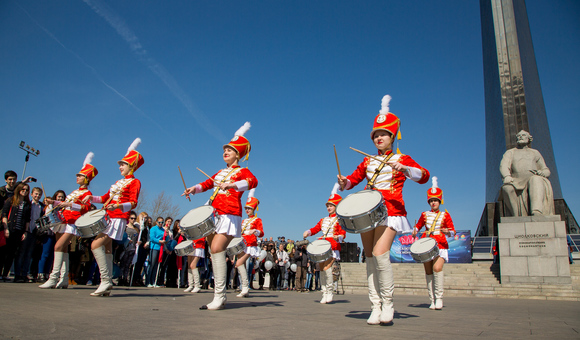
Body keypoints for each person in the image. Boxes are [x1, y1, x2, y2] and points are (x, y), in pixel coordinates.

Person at [338, 94, 429, 325]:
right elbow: (352, 180)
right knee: (369, 258)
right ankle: (375, 305)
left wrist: (405, 168)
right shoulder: (368, 161)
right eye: (376, 135)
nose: (379, 138)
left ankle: (388, 303)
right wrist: (343, 183)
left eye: (383, 134)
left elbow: (424, 176)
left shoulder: (402, 158)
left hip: (391, 211)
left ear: (392, 136)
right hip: (369, 212)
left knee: (380, 254)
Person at [183, 122, 258, 310]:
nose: (225, 152)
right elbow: (207, 183)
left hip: (229, 214)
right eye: (225, 149)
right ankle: (220, 295)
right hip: (214, 215)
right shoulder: (220, 172)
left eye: (230, 150)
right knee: (213, 251)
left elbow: (253, 181)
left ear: (238, 155)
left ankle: (220, 295)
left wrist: (233, 185)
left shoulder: (242, 172)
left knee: (217, 249)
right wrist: (194, 189)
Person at [83, 139, 143, 296]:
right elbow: (104, 198)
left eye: (123, 164)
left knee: (95, 245)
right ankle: (107, 282)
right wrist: (91, 198)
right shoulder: (118, 182)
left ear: (131, 166)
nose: (120, 167)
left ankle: (105, 281)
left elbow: (133, 203)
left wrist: (117, 207)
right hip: (109, 216)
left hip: (117, 218)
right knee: (107, 249)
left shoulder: (135, 182)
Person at [40, 153, 97, 289]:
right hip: (63, 221)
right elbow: (64, 203)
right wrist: (52, 202)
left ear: (86, 179)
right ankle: (64, 278)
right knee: (63, 249)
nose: (77, 177)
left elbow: (85, 208)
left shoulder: (87, 194)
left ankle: (53, 278)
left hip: (72, 223)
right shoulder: (74, 192)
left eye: (80, 175)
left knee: (58, 247)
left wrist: (70, 205)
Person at [412, 177, 455, 310]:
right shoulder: (424, 214)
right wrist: (414, 230)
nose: (433, 203)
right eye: (431, 201)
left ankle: (440, 298)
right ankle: (432, 299)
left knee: (437, 268)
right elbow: (418, 226)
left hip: (440, 244)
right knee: (429, 271)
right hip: (426, 243)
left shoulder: (445, 215)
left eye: (435, 200)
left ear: (439, 201)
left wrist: (447, 231)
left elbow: (453, 231)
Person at [302, 184, 346, 304]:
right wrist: (308, 232)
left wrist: (339, 237)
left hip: (332, 246)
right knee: (321, 269)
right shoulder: (323, 220)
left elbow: (343, 232)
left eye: (331, 205)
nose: (329, 208)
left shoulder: (340, 219)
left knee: (327, 269)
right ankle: (324, 291)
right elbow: (316, 228)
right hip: (322, 246)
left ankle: (330, 291)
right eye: (328, 206)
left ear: (336, 206)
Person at [500, 130, 554, 216]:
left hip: (532, 180)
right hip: (516, 181)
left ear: (529, 139)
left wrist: (543, 173)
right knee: (506, 188)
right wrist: (507, 176)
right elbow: (504, 166)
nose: (520, 137)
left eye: (523, 135)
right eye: (519, 136)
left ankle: (536, 211)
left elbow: (546, 170)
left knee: (536, 179)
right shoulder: (510, 152)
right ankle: (516, 216)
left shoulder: (535, 153)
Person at [234, 189, 264, 297]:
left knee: (239, 263)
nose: (247, 210)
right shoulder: (243, 221)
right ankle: (244, 287)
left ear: (253, 209)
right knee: (239, 265)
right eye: (246, 208)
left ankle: (245, 287)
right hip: (242, 244)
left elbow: (261, 233)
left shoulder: (257, 220)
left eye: (249, 208)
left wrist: (255, 231)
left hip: (250, 244)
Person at [1, 183, 32, 282]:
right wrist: (5, 228)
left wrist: (25, 231)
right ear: (18, 190)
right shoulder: (11, 200)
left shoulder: (27, 204)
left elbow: (27, 219)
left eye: (26, 190)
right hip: (10, 228)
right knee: (3, 253)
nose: (25, 191)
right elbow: (4, 214)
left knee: (12, 253)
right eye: (23, 189)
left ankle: (5, 274)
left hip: (19, 230)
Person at [15, 186, 44, 282]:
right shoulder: (28, 204)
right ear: (31, 194)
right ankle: (17, 274)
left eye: (39, 194)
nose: (37, 196)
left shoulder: (41, 206)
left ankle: (24, 274)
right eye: (36, 194)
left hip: (34, 233)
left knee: (29, 254)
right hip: (26, 231)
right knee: (21, 253)